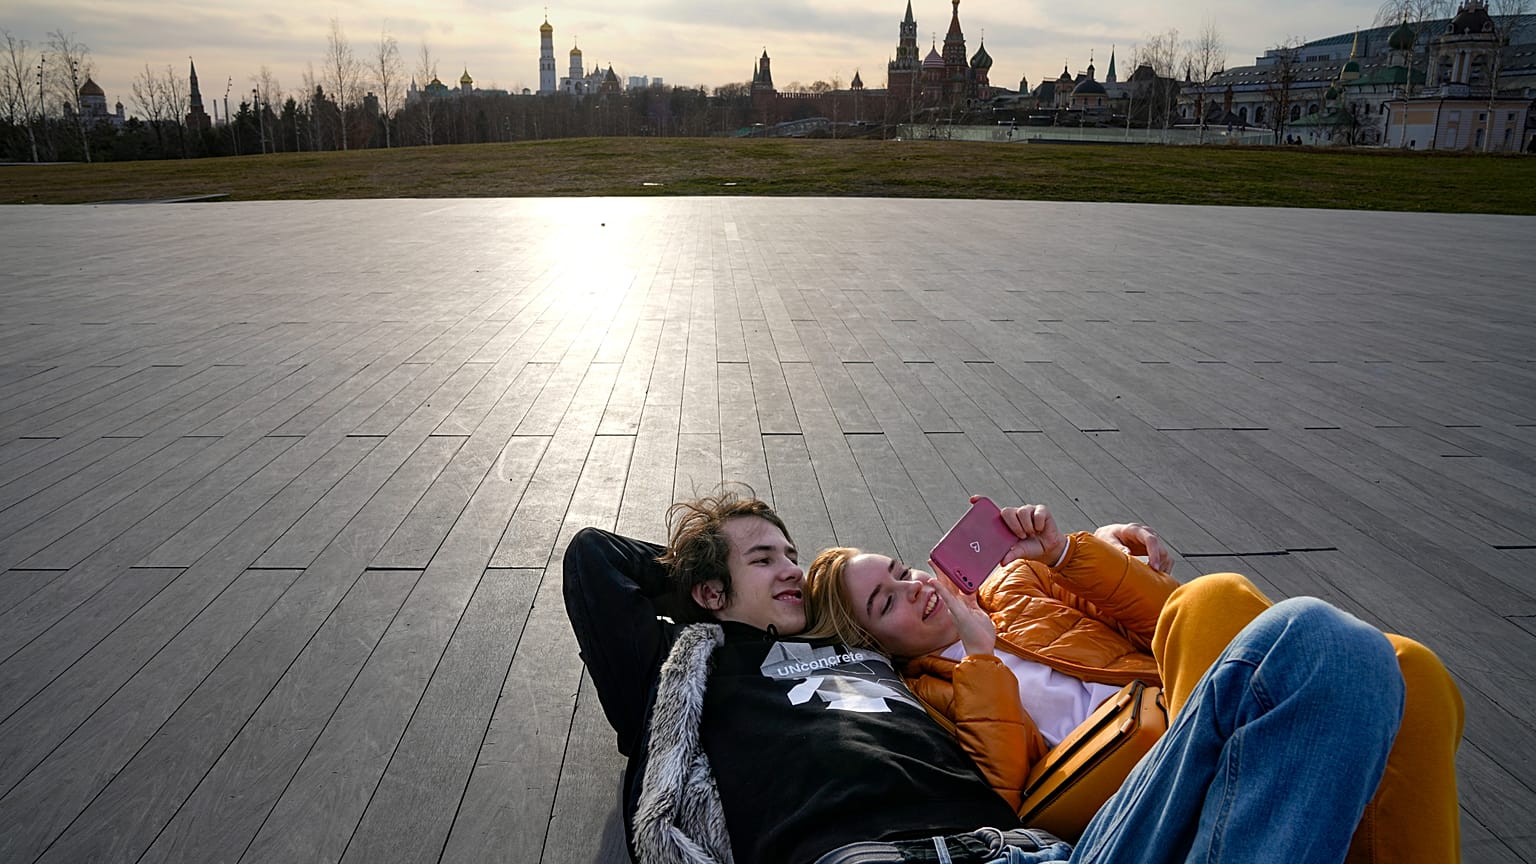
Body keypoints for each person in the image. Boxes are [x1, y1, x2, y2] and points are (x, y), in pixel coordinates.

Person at [563, 487, 1410, 864]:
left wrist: (1088, 547)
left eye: (790, 553)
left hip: (1032, 856)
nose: (788, 567)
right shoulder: (691, 670)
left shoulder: (886, 658)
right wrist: (700, 577)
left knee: (1324, 642)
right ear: (709, 593)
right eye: (763, 560)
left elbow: (943, 600)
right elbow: (595, 560)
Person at [801, 502, 1464, 863]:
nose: (913, 588)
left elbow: (1161, 617)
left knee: (1412, 670)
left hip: (1183, 702)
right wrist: (981, 658)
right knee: (1218, 599)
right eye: (886, 602)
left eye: (901, 571)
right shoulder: (922, 697)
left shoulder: (1016, 581)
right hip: (1125, 785)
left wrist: (1067, 553)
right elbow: (999, 800)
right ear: (872, 644)